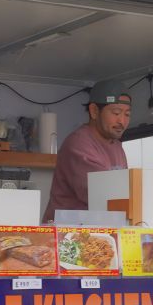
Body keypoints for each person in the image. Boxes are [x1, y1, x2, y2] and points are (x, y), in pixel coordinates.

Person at [44, 79, 131, 222]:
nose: (122, 121)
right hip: (67, 230)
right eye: (116, 113)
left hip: (97, 228)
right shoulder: (79, 143)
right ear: (94, 111)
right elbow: (100, 194)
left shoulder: (117, 146)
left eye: (127, 114)